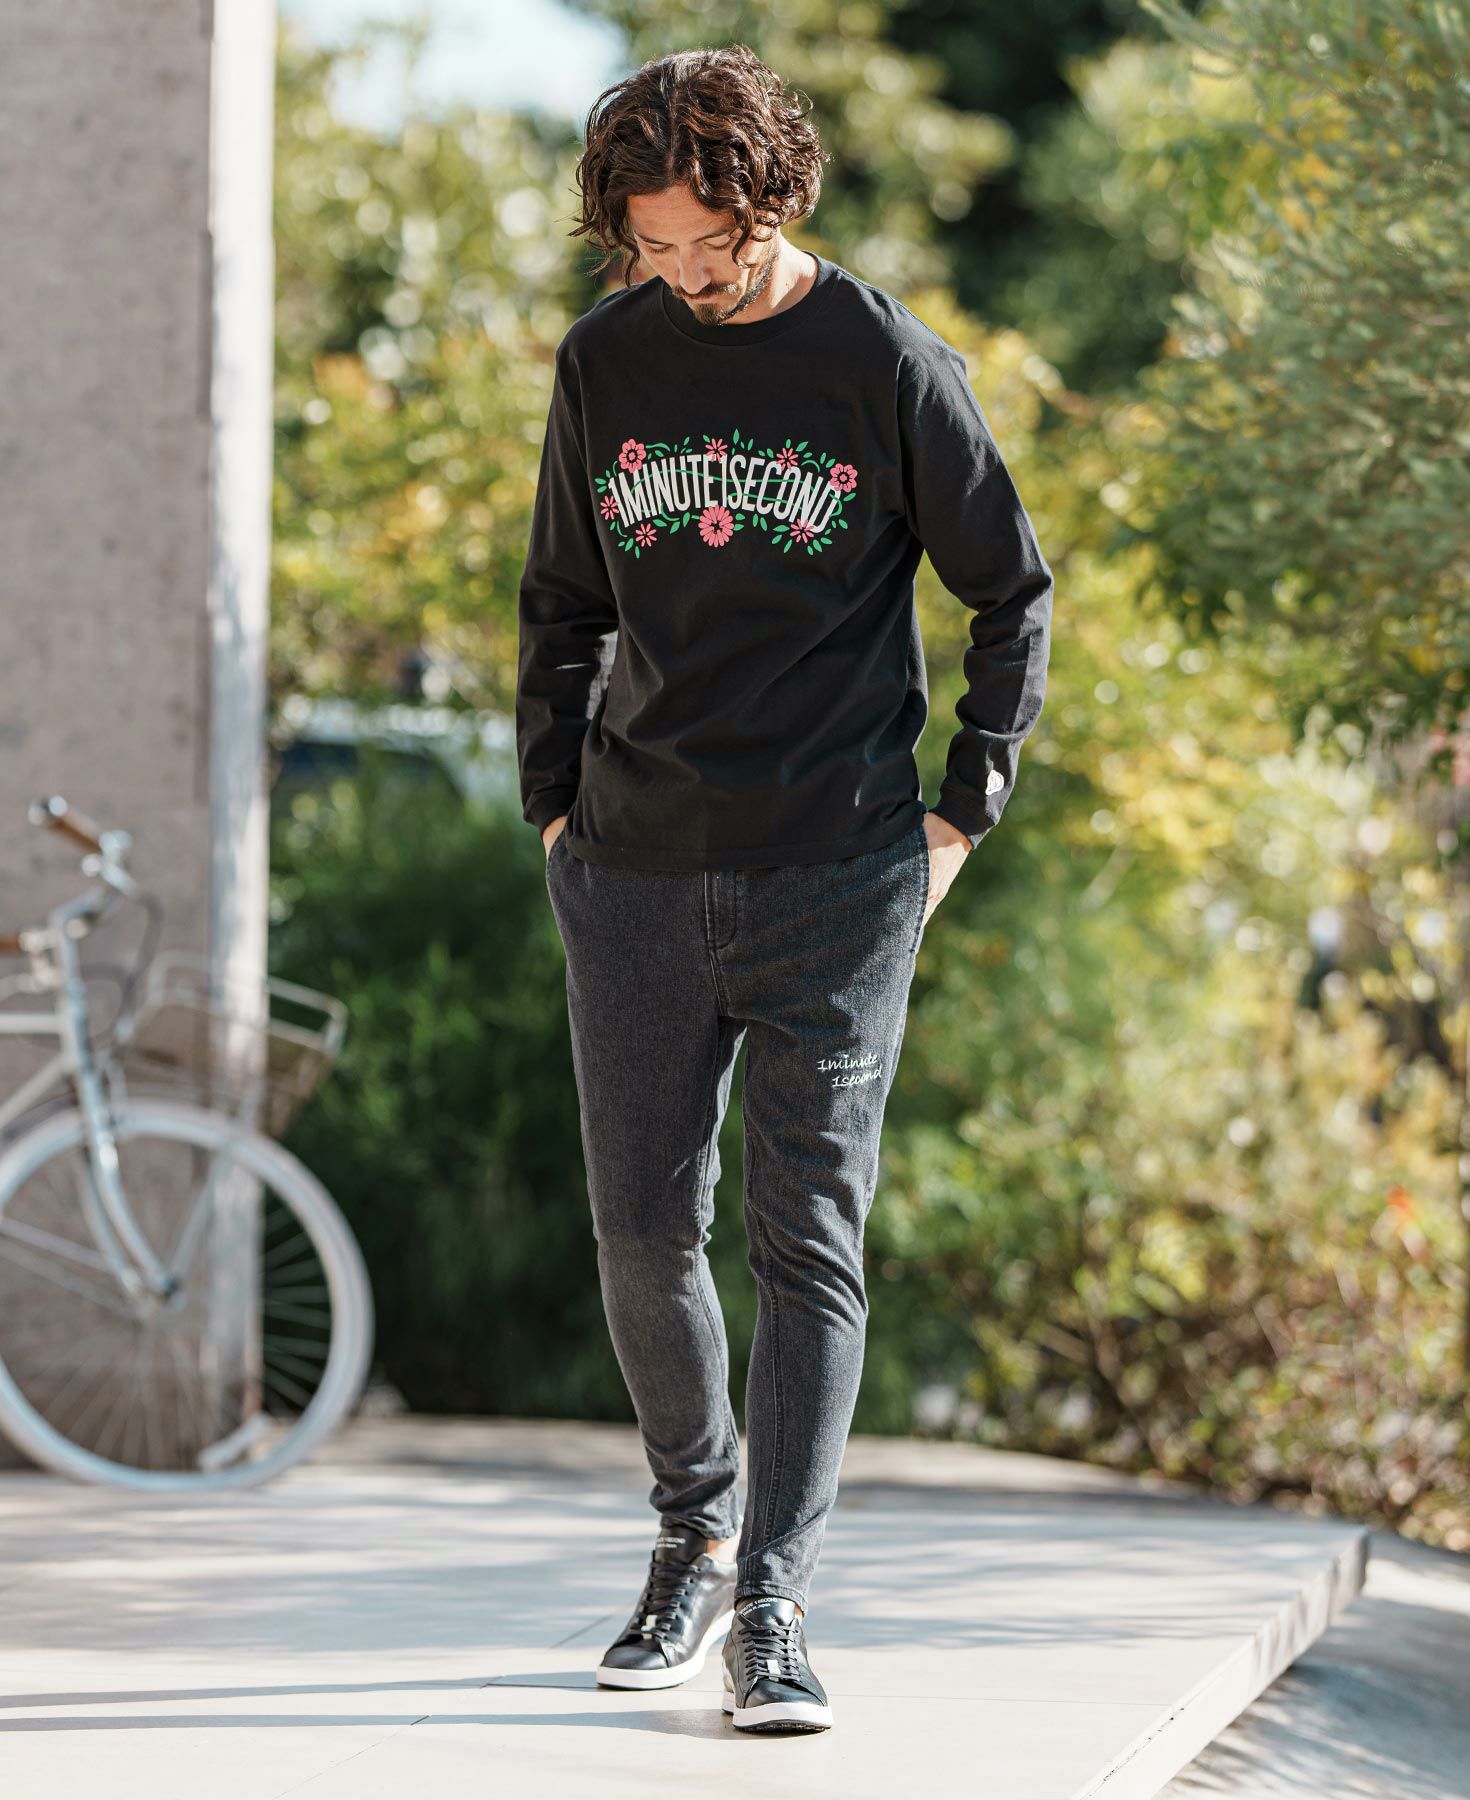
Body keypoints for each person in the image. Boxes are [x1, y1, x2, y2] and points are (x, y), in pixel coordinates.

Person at [514, 44, 1053, 1736]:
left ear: (775, 194)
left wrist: (960, 814)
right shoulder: (606, 361)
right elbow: (560, 605)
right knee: (638, 1232)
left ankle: (774, 1601)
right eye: (654, 247)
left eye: (710, 241)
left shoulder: (885, 361)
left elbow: (1011, 592)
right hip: (632, 866)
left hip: (840, 868)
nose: (685, 274)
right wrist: (553, 813)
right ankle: (692, 1524)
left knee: (805, 1232)